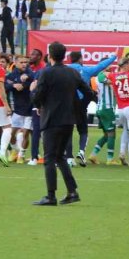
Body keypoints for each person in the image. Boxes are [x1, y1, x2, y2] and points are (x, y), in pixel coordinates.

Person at [31, 41, 90, 205]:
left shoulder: (46, 73)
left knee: (50, 158)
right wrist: (78, 107)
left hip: (52, 119)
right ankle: (72, 192)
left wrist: (36, 102)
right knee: (60, 157)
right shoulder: (72, 73)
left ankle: (51, 196)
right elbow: (88, 92)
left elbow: (38, 94)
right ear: (64, 56)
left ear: (49, 55)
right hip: (68, 120)